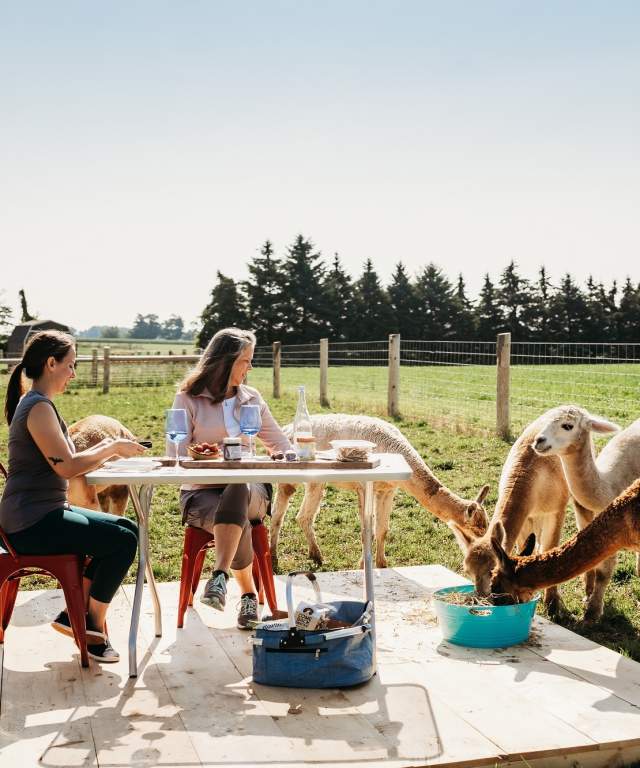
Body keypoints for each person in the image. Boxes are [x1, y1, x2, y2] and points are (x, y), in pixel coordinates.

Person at [0, 331, 145, 662]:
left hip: (40, 514)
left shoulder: (39, 404)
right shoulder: (38, 408)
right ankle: (91, 625)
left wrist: (108, 448)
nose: (73, 373)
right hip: (30, 523)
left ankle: (74, 615)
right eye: (70, 365)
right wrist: (111, 446)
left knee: (126, 528)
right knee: (122, 542)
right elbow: (66, 467)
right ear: (51, 363)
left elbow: (68, 460)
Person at [170, 327, 291, 629]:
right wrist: (215, 458)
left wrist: (288, 453)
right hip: (200, 493)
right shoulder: (188, 399)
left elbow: (280, 443)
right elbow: (176, 455)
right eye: (246, 361)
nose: (250, 367)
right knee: (236, 518)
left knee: (238, 485)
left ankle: (220, 575)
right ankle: (248, 594)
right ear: (226, 361)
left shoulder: (251, 398)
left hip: (252, 492)